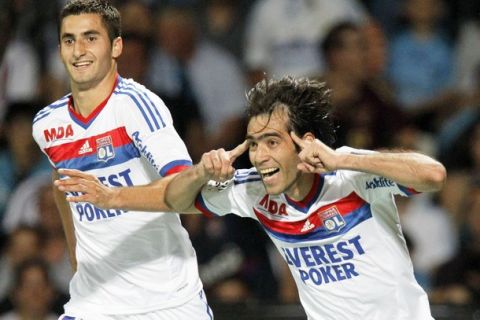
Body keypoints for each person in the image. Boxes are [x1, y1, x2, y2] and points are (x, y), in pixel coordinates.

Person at [55, 77, 447, 319]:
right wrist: (195, 174)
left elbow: (433, 175)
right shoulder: (254, 192)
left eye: (271, 142)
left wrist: (343, 158)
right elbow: (176, 200)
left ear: (304, 143)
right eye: (254, 144)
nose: (259, 156)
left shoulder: (351, 174)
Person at [31, 1, 212, 319]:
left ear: (116, 46)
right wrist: (76, 256)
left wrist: (111, 197)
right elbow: (62, 183)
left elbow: (184, 188)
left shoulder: (138, 106)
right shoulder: (47, 124)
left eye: (90, 37)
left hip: (167, 301)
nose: (78, 50)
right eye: (69, 40)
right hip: (94, 302)